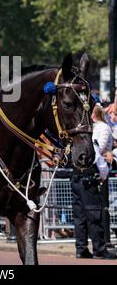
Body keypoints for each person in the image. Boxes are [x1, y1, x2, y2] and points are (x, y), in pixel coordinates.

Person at [72, 104, 116, 259]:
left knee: (80, 216)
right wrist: (104, 172)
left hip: (77, 174)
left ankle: (81, 248)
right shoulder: (97, 128)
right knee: (92, 213)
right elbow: (96, 151)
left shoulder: (81, 128)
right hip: (89, 175)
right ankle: (99, 249)